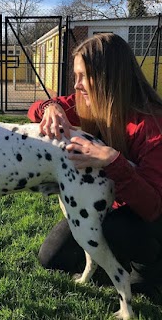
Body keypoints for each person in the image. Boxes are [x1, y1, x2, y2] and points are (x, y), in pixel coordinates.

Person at [27, 33, 162, 299]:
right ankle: (113, 253)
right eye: (75, 76)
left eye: (83, 76)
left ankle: (150, 265)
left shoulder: (153, 126)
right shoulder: (87, 105)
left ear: (109, 78)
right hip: (99, 204)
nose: (76, 86)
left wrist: (113, 162)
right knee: (51, 259)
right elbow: (34, 110)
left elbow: (153, 206)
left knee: (117, 230)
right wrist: (51, 107)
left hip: (145, 219)